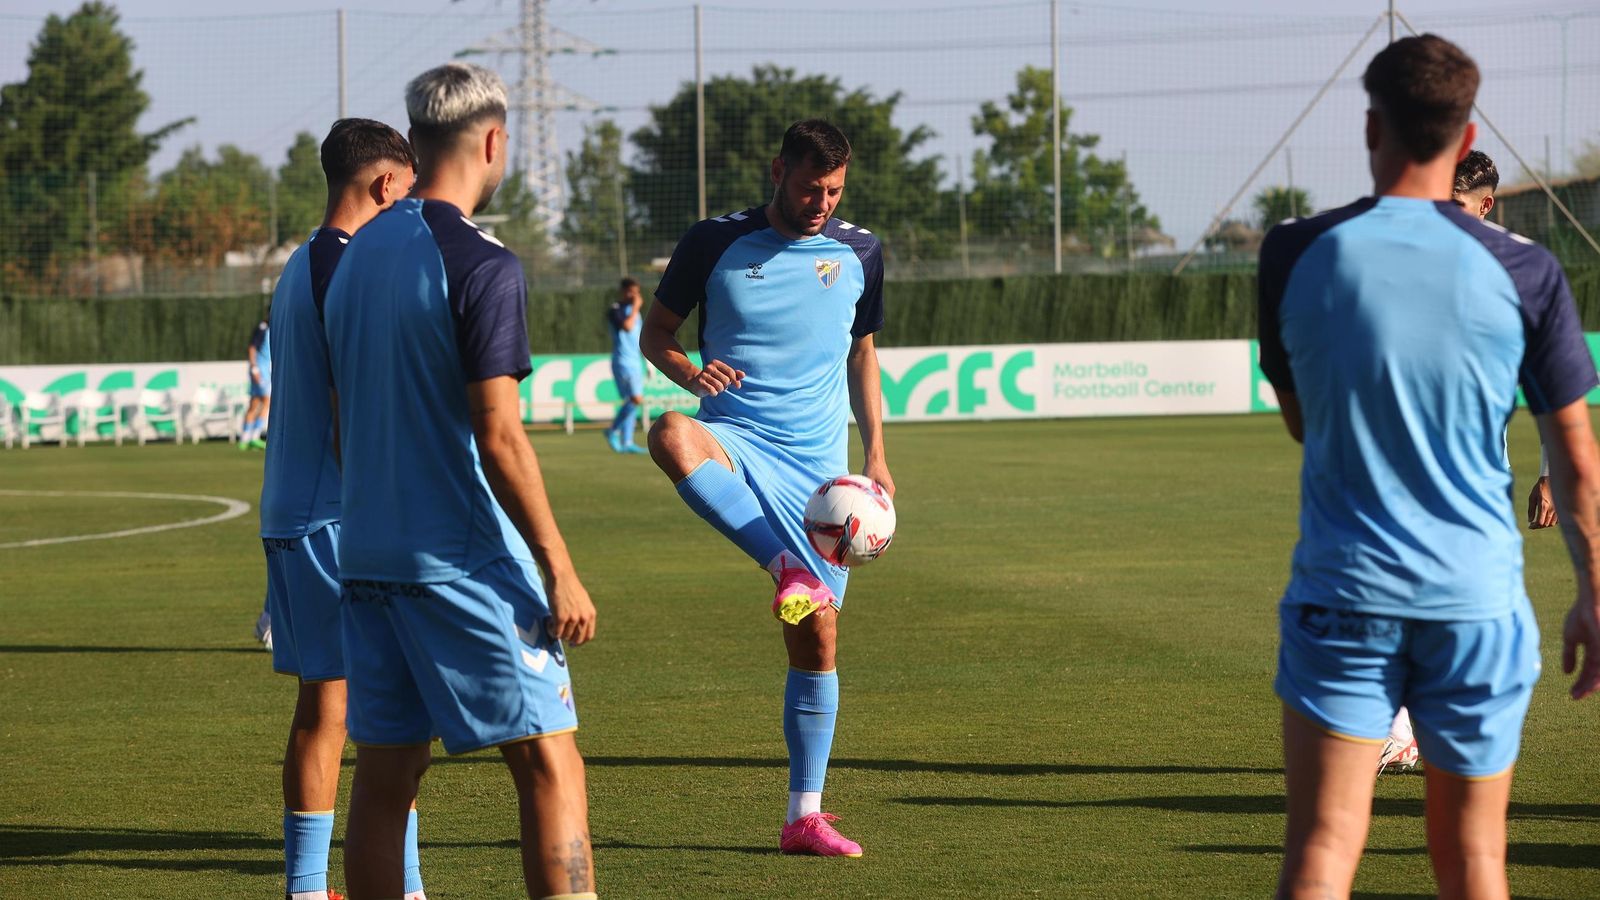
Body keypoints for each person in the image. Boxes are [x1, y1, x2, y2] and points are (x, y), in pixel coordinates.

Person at [1258, 34, 1600, 899]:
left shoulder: (1293, 252)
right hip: (1477, 601)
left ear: (1371, 124)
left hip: (1344, 591)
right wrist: (1597, 595)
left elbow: (1303, 421)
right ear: (1466, 130)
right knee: (1475, 861)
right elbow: (1577, 465)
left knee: (1323, 848)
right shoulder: (1526, 269)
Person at [322, 62, 598, 900]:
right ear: (492, 141)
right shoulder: (481, 263)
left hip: (366, 555)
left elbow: (341, 421)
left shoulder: (355, 257)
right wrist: (558, 565)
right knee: (551, 762)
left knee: (385, 780)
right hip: (460, 560)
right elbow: (500, 432)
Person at [642, 118, 891, 858]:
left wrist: (877, 453)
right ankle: (779, 563)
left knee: (816, 636)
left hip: (820, 477)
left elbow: (863, 355)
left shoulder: (860, 252)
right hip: (737, 440)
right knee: (668, 433)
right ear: (778, 170)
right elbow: (656, 333)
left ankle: (803, 818)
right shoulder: (712, 242)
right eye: (811, 186)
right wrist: (690, 374)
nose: (821, 201)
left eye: (835, 190)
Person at [260, 118, 418, 900]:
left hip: (293, 514)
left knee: (331, 701)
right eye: (408, 190)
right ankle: (389, 884)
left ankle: (310, 885)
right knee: (375, 705)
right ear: (386, 184)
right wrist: (382, 508)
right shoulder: (343, 266)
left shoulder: (301, 263)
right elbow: (341, 401)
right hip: (334, 518)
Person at [1377, 147, 1502, 775]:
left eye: (1451, 204)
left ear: (1484, 204)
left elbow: (1550, 391)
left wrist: (1547, 474)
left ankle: (1410, 727)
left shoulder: (1514, 267)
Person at [604, 277, 647, 454]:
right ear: (623, 291)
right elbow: (628, 327)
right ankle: (612, 430)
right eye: (631, 291)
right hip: (623, 362)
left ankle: (627, 441)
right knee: (636, 399)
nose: (634, 295)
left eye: (637, 292)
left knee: (631, 401)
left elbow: (639, 339)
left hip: (635, 362)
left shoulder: (635, 312)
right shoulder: (616, 310)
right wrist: (636, 307)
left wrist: (647, 362)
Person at [241, 315, 272, 449]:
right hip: (260, 370)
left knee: (255, 403)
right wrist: (255, 369)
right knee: (267, 400)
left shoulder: (267, 328)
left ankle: (245, 438)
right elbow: (252, 348)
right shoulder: (263, 328)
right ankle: (255, 436)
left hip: (262, 370)